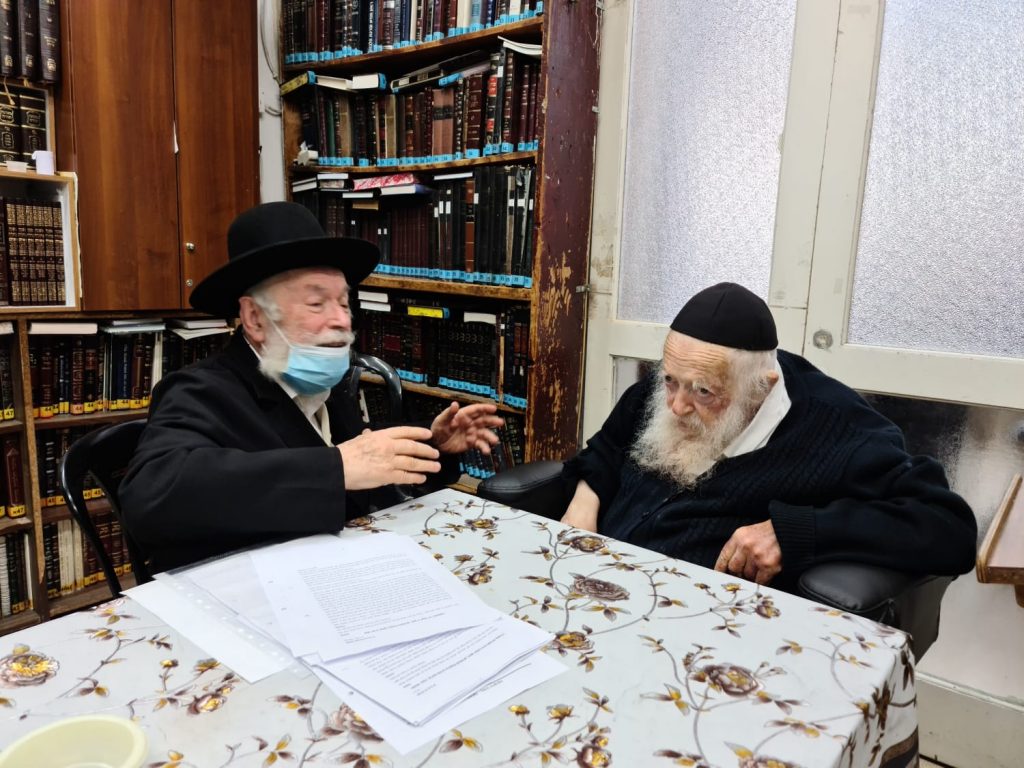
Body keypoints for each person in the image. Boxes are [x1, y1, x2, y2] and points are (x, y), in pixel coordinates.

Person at [121, 202, 503, 572]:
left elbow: (363, 485)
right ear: (255, 318)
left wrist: (433, 447)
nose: (342, 321)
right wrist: (336, 468)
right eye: (317, 304)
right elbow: (152, 499)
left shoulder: (323, 386)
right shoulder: (199, 391)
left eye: (344, 303)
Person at [561, 282, 977, 587]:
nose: (677, 406)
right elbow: (607, 447)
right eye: (670, 380)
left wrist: (793, 532)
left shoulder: (837, 429)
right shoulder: (677, 382)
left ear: (760, 387)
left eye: (704, 392)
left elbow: (949, 528)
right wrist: (585, 501)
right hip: (592, 577)